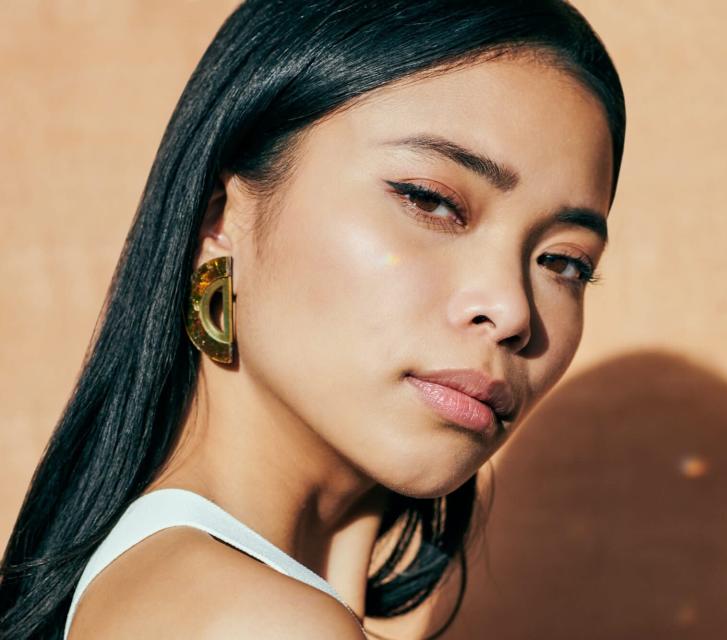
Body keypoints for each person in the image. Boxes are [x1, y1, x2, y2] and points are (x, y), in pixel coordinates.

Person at [0, 1, 626, 638]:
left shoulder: (170, 595)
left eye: (565, 262)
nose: (512, 309)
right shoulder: (251, 622)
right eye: (429, 200)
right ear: (221, 216)